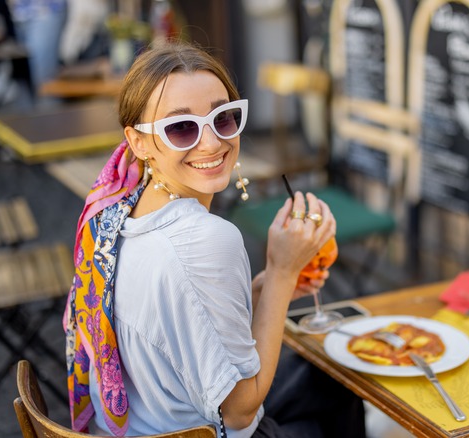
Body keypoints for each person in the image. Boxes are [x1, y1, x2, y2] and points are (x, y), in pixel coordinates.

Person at [62, 40, 366, 438]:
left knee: (329, 380)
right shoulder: (205, 240)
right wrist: (281, 271)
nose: (211, 143)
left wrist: (261, 292)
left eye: (222, 118)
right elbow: (239, 411)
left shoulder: (115, 211)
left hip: (139, 422)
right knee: (343, 389)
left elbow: (185, 323)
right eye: (181, 127)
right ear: (138, 141)